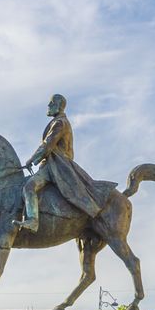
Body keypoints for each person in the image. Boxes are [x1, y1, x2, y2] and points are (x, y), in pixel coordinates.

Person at [16, 93, 105, 238]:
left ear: (58, 106)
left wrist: (31, 160)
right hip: (52, 164)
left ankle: (32, 220)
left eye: (51, 103)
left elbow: (47, 145)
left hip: (55, 165)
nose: (48, 106)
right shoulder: (59, 122)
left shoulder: (60, 123)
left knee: (29, 187)